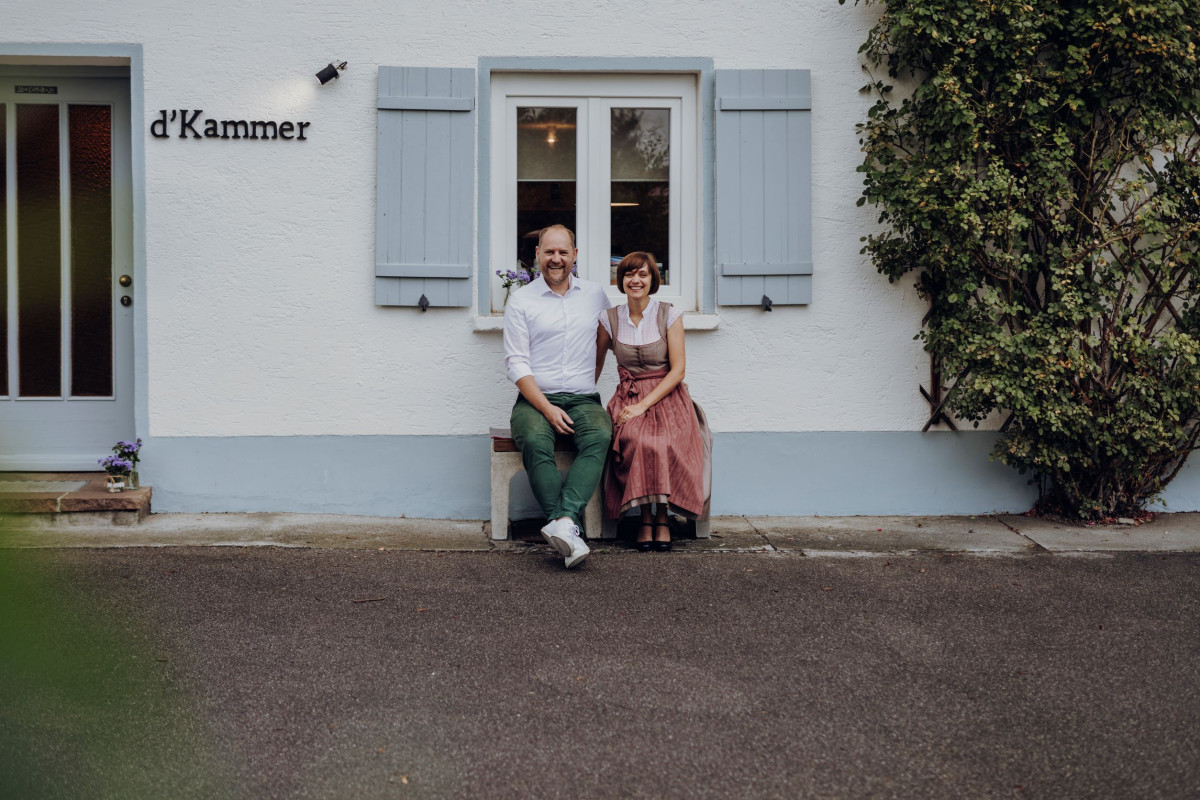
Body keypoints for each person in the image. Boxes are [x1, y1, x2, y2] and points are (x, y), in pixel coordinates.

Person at [503, 224, 613, 568]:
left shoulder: (595, 295)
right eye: (549, 252)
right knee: (535, 440)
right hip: (535, 400)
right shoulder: (521, 299)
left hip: (583, 398)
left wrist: (586, 380)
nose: (556, 259)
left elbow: (603, 342)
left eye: (563, 252)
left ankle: (562, 524)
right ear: (537, 255)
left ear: (575, 256)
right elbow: (516, 363)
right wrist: (548, 408)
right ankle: (568, 526)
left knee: (600, 434)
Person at [596, 252, 712, 551]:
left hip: (668, 398)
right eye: (629, 275)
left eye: (643, 275)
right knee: (637, 439)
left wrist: (642, 406)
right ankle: (645, 518)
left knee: (663, 442)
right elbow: (592, 369)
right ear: (621, 280)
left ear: (652, 280)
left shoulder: (668, 314)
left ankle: (662, 517)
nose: (636, 280)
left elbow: (678, 370)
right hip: (628, 397)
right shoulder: (609, 319)